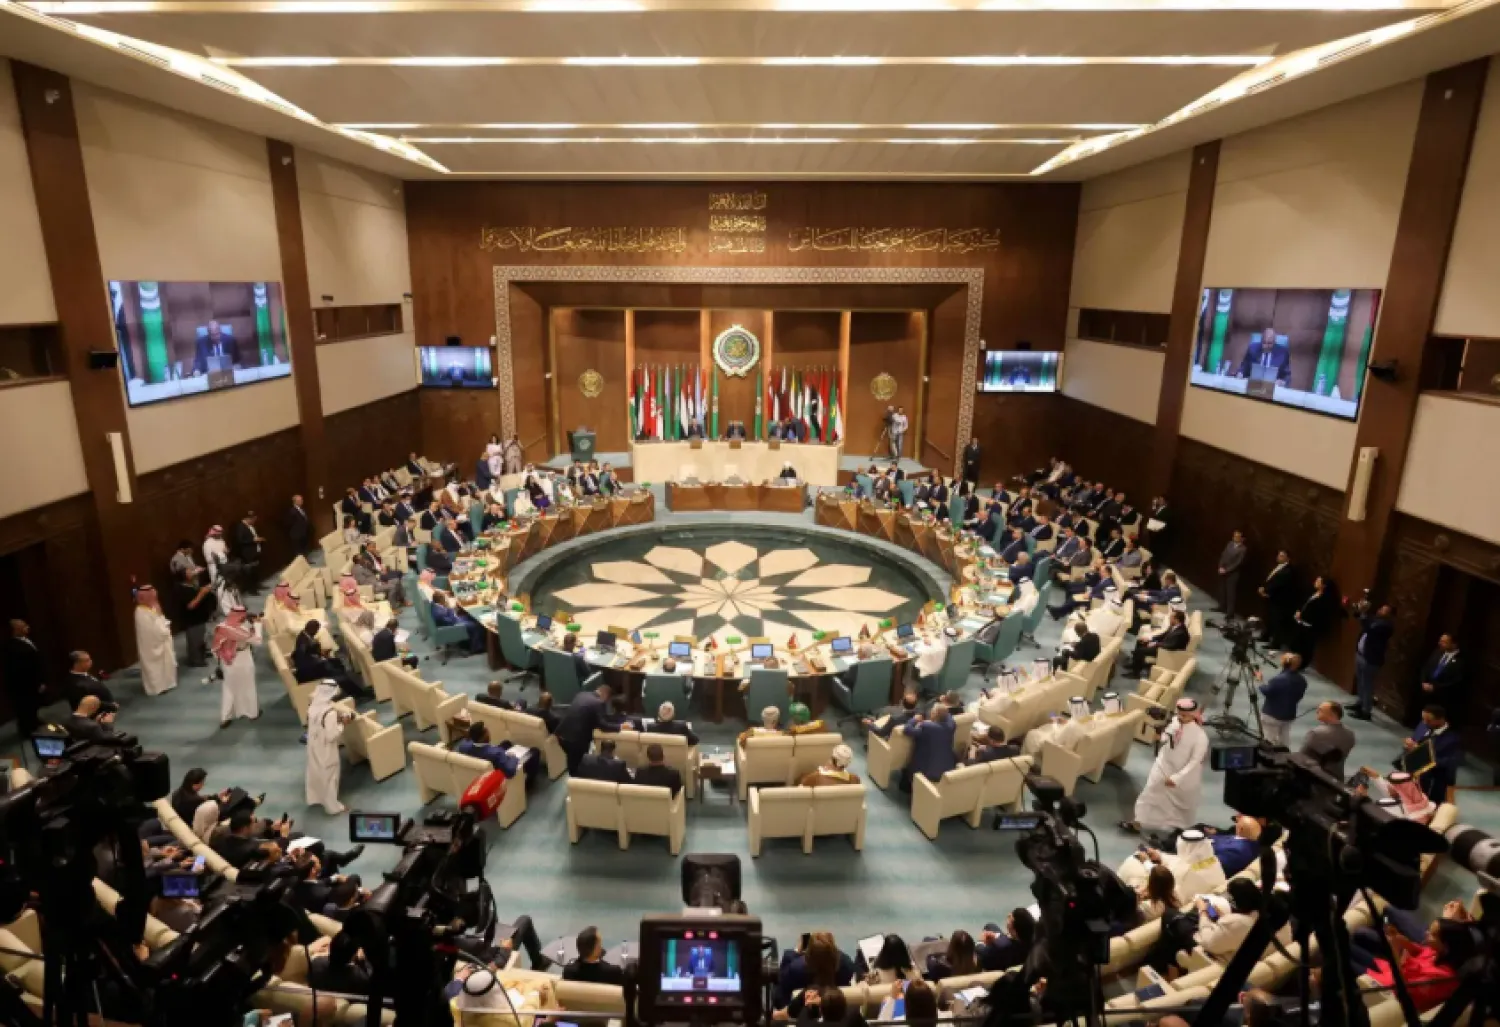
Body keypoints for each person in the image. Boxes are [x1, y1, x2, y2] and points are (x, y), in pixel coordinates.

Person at [1348, 910, 1475, 1012]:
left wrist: (1395, 951)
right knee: (1348, 945)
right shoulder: (1437, 952)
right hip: (1388, 970)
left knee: (1343, 956)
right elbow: (1419, 951)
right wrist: (1400, 939)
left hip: (1386, 988)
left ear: (1446, 946)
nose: (1426, 933)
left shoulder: (1440, 979)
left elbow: (1403, 990)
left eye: (1433, 934)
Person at [1122, 698, 1208, 835]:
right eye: (1179, 714)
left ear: (1193, 715)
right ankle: (1137, 822)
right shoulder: (1175, 722)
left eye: (1185, 715)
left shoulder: (1200, 736)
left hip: (1184, 775)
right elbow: (1164, 738)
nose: (1181, 717)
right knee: (1150, 792)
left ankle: (1181, 830)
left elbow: (1195, 761)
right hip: (1163, 765)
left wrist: (1177, 778)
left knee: (1182, 804)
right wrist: (1159, 734)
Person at [305, 682, 353, 815]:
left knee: (316, 771)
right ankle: (333, 807)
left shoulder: (313, 706)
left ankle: (315, 798)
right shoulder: (330, 713)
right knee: (331, 776)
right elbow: (332, 736)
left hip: (313, 744)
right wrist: (342, 724)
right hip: (326, 748)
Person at [777, 933, 856, 1010]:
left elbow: (781, 998)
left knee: (788, 956)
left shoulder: (795, 969)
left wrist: (796, 951)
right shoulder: (847, 966)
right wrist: (827, 949)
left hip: (796, 1012)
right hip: (837, 1011)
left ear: (807, 958)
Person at [213, 606, 262, 727]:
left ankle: (225, 717)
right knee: (248, 685)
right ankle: (252, 713)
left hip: (228, 662)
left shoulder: (222, 627)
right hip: (244, 659)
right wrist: (258, 625)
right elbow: (258, 641)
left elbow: (215, 649)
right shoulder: (242, 629)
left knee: (229, 688)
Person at [557, 684, 623, 774]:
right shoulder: (598, 702)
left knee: (571, 760)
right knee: (578, 765)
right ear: (605, 695)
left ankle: (573, 776)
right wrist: (620, 727)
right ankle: (576, 779)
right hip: (575, 740)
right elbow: (603, 726)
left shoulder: (581, 694)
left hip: (561, 734)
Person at [1347, 598, 1394, 721]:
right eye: (1381, 608)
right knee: (1360, 681)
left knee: (1367, 685)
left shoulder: (1386, 626)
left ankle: (1366, 711)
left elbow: (1369, 627)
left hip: (1371, 659)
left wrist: (1364, 612)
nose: (1381, 611)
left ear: (1389, 615)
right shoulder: (1375, 619)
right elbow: (1359, 617)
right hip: (1361, 654)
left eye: (1385, 610)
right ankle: (1360, 703)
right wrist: (1358, 608)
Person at [1403, 704, 1461, 803]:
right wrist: (1409, 746)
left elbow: (1449, 762)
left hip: (1436, 779)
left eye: (1429, 720)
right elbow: (1414, 741)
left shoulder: (1453, 739)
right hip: (1415, 773)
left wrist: (1420, 752)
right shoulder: (1423, 726)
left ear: (1440, 720)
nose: (1425, 723)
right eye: (1423, 719)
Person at [132, 585, 178, 697]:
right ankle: (157, 688)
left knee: (165, 665)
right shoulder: (141, 612)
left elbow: (160, 620)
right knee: (154, 668)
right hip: (152, 647)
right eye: (152, 596)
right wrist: (165, 628)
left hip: (162, 643)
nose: (154, 598)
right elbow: (154, 631)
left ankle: (167, 684)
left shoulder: (152, 607)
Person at [4, 619, 46, 739]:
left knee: (33, 705)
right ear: (15, 630)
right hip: (24, 684)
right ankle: (28, 730)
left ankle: (34, 722)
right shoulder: (13, 647)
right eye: (23, 626)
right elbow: (22, 669)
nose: (27, 627)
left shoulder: (26, 640)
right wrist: (37, 682)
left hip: (33, 680)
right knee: (25, 707)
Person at [900, 704, 956, 791]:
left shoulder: (926, 727)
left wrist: (914, 719)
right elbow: (949, 716)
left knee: (905, 772)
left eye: (932, 710)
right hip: (947, 770)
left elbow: (907, 729)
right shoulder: (951, 726)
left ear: (934, 714)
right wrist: (943, 711)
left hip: (927, 772)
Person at [1257, 652, 1306, 748]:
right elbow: (1299, 696)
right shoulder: (1302, 680)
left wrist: (1260, 681)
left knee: (1269, 740)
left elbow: (1267, 691)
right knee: (1284, 739)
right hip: (1289, 715)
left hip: (1272, 715)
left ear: (1285, 663)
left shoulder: (1278, 679)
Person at [1300, 701, 1356, 780]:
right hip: (1337, 778)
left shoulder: (1316, 733)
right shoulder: (1350, 734)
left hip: (1314, 778)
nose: (1317, 712)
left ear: (1333, 714)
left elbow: (1301, 757)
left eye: (1321, 710)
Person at [1124, 609, 1189, 677]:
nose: (1169, 619)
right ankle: (1134, 664)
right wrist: (1150, 639)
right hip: (1162, 646)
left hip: (1166, 652)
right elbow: (1163, 635)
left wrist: (1156, 644)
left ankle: (1135, 673)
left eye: (1171, 617)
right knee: (1140, 641)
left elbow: (1171, 646)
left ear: (1177, 620)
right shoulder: (1175, 626)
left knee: (1140, 651)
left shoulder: (1181, 633)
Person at [174, 567, 215, 668]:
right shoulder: (181, 589)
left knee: (201, 637)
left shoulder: (192, 584)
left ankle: (202, 653)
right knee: (195, 639)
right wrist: (202, 593)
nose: (194, 572)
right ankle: (196, 660)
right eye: (190, 571)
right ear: (184, 576)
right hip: (192, 620)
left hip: (200, 617)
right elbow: (190, 605)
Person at [1258, 550, 1296, 651]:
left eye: (1282, 556)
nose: (1279, 557)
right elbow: (1270, 579)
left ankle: (1275, 644)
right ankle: (1266, 636)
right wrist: (1263, 588)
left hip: (1280, 600)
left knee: (1277, 622)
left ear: (1288, 558)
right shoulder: (1277, 567)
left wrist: (1266, 591)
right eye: (1279, 555)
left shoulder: (1288, 570)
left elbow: (1279, 584)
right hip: (1271, 597)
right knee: (1269, 618)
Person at [1419, 634, 1465, 713]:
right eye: (1440, 641)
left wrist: (1436, 688)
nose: (1439, 643)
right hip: (1426, 693)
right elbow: (1426, 668)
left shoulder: (1461, 661)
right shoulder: (1437, 652)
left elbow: (1456, 681)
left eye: (1444, 642)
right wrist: (1423, 682)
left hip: (1443, 698)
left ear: (1454, 644)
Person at [458, 722, 522, 779]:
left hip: (474, 773)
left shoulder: (463, 746)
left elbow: (467, 741)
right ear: (482, 738)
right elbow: (509, 772)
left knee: (506, 743)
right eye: (487, 731)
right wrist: (513, 758)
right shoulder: (497, 754)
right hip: (496, 774)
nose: (489, 733)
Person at [1217, 530, 1247, 618]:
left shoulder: (1243, 549)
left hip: (1233, 573)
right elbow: (1223, 555)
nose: (1235, 538)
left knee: (1231, 593)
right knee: (1222, 590)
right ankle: (1222, 607)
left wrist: (1226, 570)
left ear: (1241, 538)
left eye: (1237, 536)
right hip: (1223, 570)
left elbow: (1238, 563)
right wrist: (1220, 566)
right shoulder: (1229, 544)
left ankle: (1230, 612)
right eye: (1234, 536)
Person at [234, 512, 264, 595]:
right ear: (248, 519)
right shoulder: (241, 527)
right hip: (247, 554)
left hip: (254, 551)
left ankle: (256, 585)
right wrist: (253, 540)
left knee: (255, 571)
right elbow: (240, 540)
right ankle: (252, 590)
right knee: (249, 572)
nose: (254, 521)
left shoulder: (249, 526)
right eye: (253, 519)